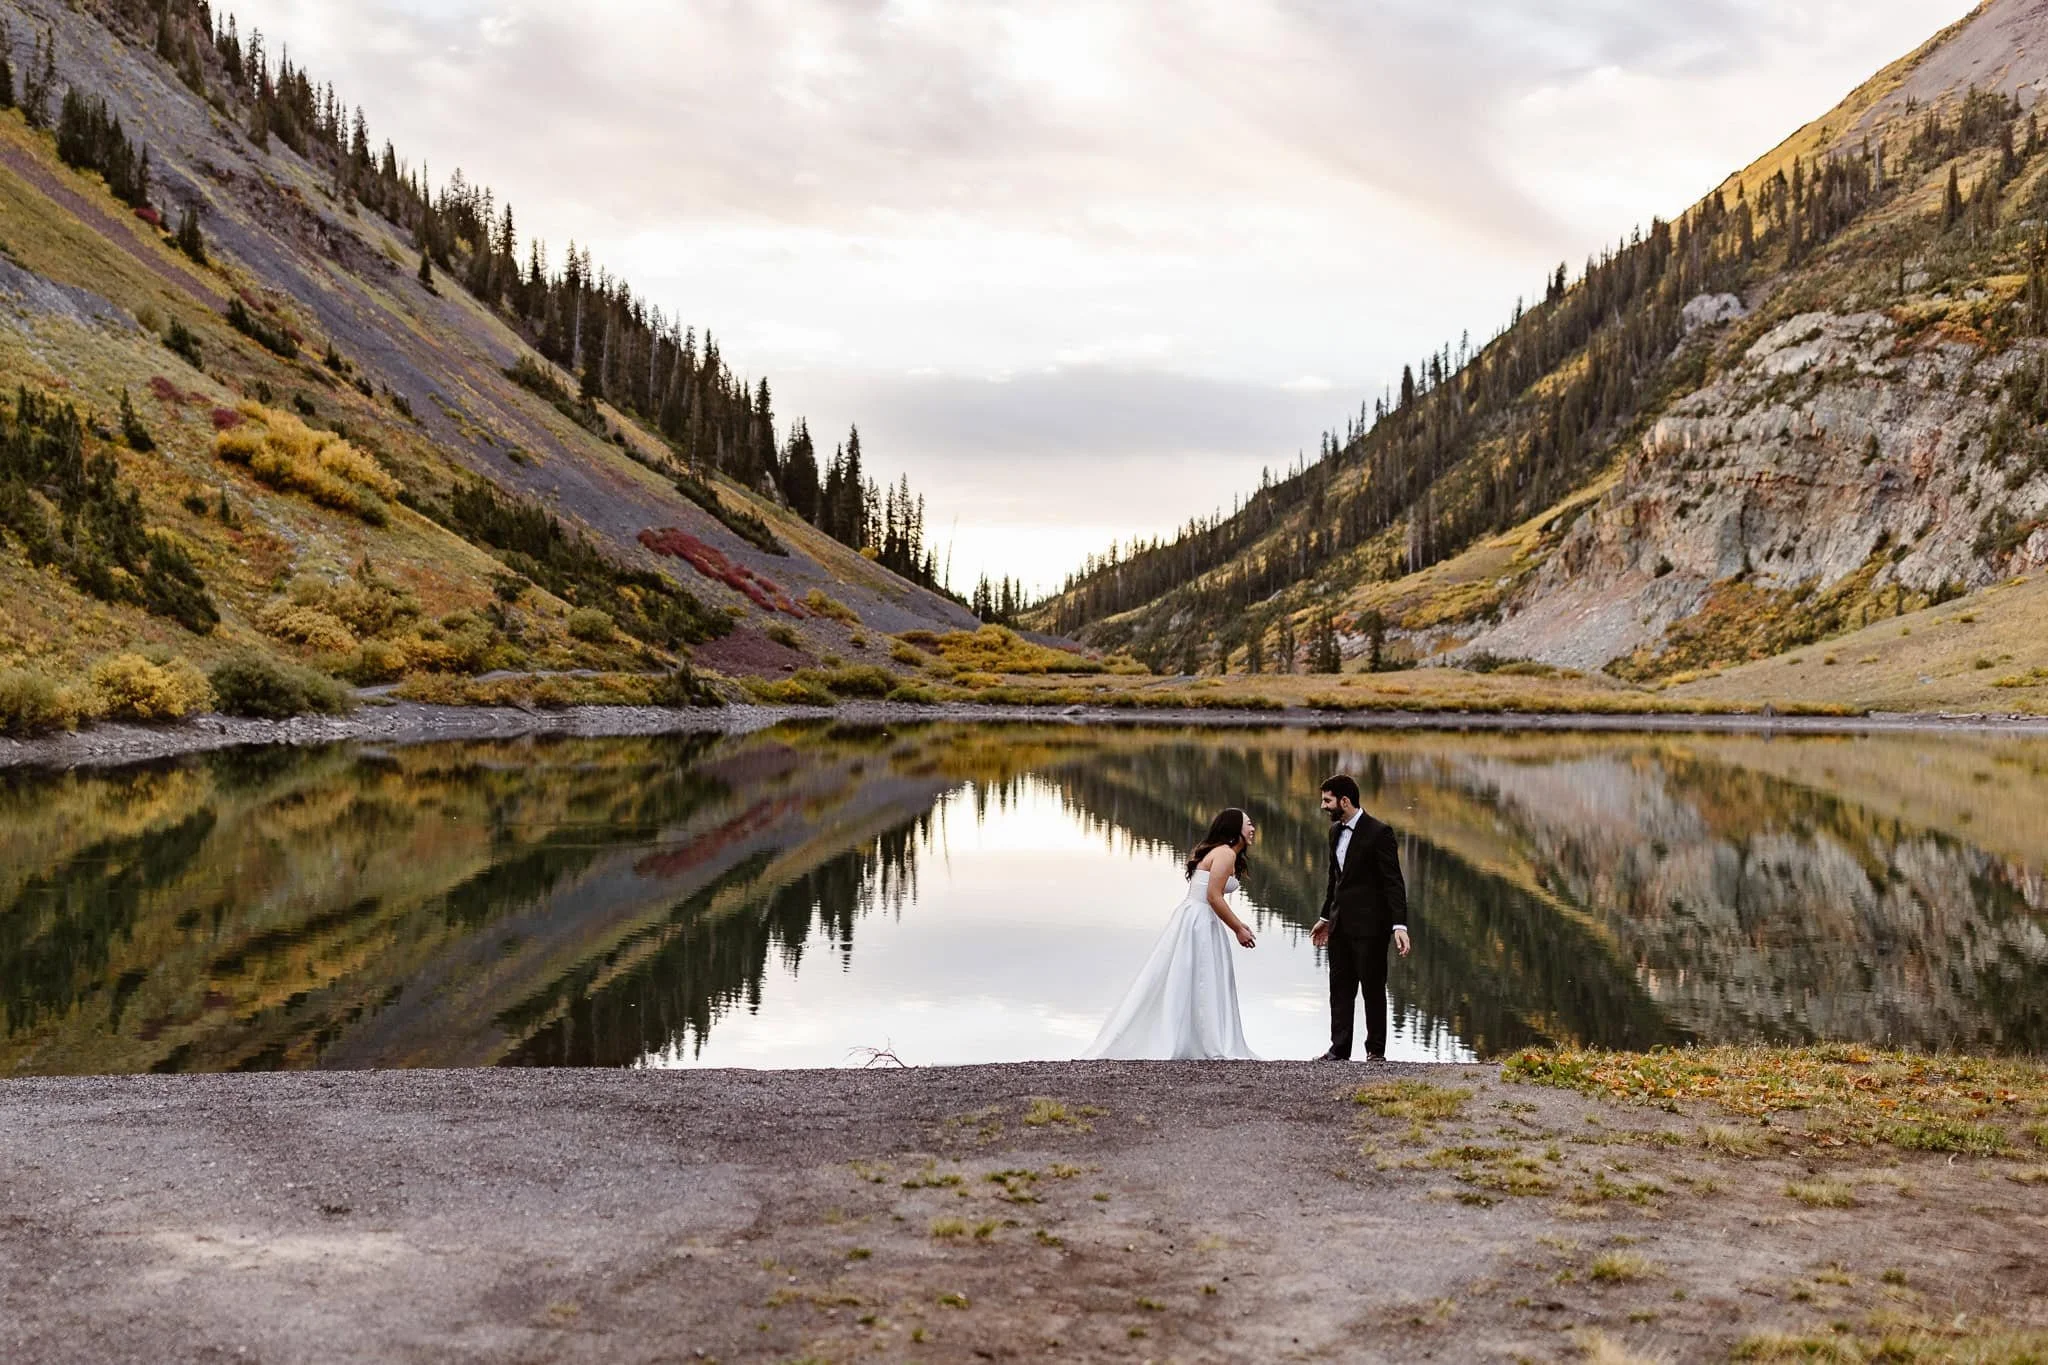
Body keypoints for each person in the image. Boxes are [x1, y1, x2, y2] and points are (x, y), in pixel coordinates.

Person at [1082, 808, 1261, 1060]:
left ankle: (1190, 1036)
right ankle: (1202, 1040)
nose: (1252, 829)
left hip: (1195, 918)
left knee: (1190, 976)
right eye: (1248, 824)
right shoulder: (1224, 854)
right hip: (1200, 919)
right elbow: (1213, 896)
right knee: (1200, 975)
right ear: (1234, 828)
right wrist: (1239, 928)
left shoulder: (1218, 852)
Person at [1310, 773, 1411, 1060]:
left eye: (1327, 801)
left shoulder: (1379, 832)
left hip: (1371, 928)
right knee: (1340, 989)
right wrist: (1325, 918)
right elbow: (1334, 879)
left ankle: (1375, 1053)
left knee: (1373, 990)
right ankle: (1339, 1050)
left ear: (1345, 800)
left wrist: (1399, 925)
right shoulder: (1334, 833)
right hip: (1340, 925)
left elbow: (1394, 882)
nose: (1323, 806)